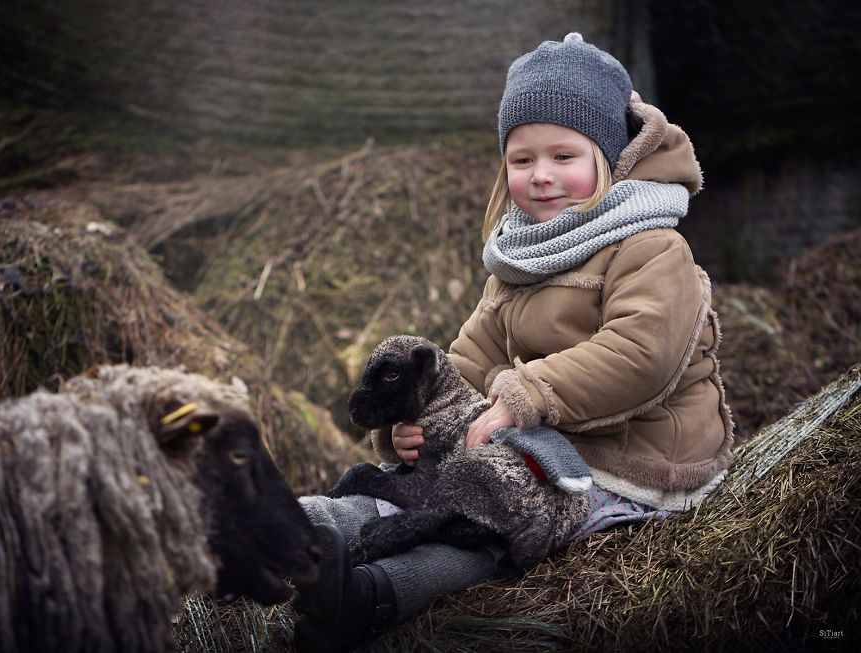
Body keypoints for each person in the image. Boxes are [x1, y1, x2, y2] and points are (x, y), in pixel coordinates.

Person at [292, 32, 734, 652]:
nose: (542, 177)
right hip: (544, 440)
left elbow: (643, 355)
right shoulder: (523, 255)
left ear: (610, 158)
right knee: (445, 473)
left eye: (564, 156)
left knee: (488, 506)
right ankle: (313, 531)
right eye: (522, 160)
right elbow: (470, 361)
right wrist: (410, 424)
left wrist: (525, 394)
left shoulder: (653, 246)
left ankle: (374, 596)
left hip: (637, 456)